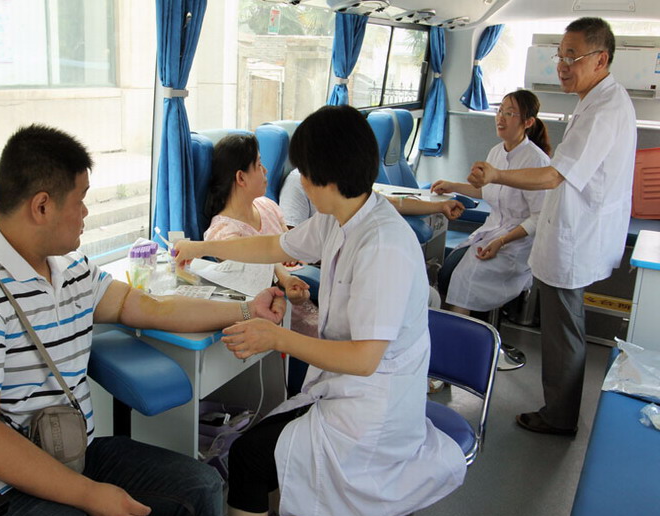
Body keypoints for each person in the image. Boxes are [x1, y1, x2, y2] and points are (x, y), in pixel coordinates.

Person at [0, 124, 286, 516]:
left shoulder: (72, 269)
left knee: (201, 487)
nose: (86, 213)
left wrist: (245, 310)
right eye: (80, 200)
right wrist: (89, 494)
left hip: (74, 454)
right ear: (42, 207)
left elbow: (146, 306)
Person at [174, 105, 466, 516]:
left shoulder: (382, 245)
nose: (301, 182)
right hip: (345, 391)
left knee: (250, 456)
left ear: (327, 178)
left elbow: (364, 359)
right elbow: (274, 246)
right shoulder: (343, 218)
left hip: (373, 414)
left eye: (305, 174)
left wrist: (276, 337)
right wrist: (200, 248)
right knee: (269, 446)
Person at [468, 17, 637, 437]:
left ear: (601, 59)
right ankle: (560, 409)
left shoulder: (603, 110)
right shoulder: (596, 100)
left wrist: (496, 175)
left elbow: (553, 176)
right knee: (565, 327)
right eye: (559, 55)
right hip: (575, 231)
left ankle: (560, 417)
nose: (562, 65)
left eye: (572, 56)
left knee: (564, 331)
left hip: (577, 236)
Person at [432, 89, 551, 315]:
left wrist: (502, 241)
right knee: (448, 272)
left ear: (528, 122)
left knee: (467, 278)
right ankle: (460, 324)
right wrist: (453, 186)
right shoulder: (496, 152)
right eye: (500, 111)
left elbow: (540, 217)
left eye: (510, 113)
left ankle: (465, 332)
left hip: (517, 243)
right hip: (491, 231)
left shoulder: (537, 161)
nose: (500, 118)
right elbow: (488, 191)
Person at [203, 133, 318, 339]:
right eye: (258, 165)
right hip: (276, 313)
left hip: (304, 299)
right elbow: (258, 269)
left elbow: (292, 250)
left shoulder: (267, 206)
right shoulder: (223, 233)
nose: (265, 170)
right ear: (241, 178)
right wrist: (287, 279)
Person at [280, 167, 465, 230]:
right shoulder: (299, 181)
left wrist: (440, 206)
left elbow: (394, 203)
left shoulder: (346, 178)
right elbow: (290, 238)